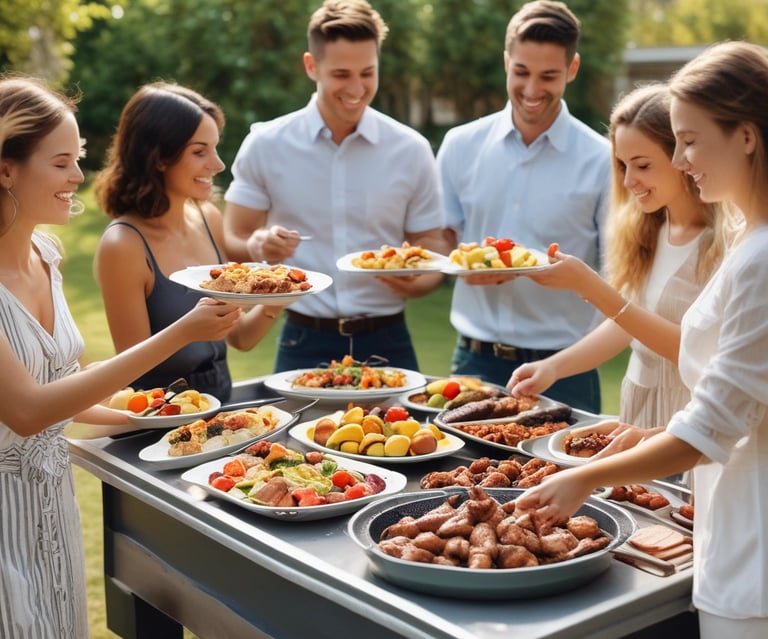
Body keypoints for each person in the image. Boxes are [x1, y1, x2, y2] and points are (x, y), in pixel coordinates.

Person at [516, 41, 768, 638]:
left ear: (747, 137)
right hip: (729, 516)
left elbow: (711, 424)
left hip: (751, 541)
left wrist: (582, 478)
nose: (681, 160)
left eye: (690, 140)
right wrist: (652, 433)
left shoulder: (756, 257)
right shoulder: (749, 244)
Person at [0, 76, 241, 638]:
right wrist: (181, 332)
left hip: (52, 503)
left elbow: (61, 383)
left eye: (78, 158)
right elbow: (27, 410)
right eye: (61, 162)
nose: (78, 177)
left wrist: (147, 417)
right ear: (6, 169)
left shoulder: (45, 254)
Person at [222, 0, 450, 372]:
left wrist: (414, 282)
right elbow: (233, 235)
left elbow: (433, 246)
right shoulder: (267, 144)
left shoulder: (411, 149)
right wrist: (256, 244)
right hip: (303, 338)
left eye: (368, 73)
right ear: (312, 66)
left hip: (388, 338)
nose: (357, 88)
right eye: (341, 74)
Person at [508, 83, 736, 429]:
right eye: (622, 164)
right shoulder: (648, 229)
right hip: (639, 402)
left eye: (642, 165)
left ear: (682, 159)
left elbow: (694, 350)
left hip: (688, 416)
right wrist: (553, 367)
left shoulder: (725, 242)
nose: (629, 181)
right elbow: (627, 325)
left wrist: (591, 287)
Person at [436, 0, 611, 413]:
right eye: (521, 72)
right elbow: (442, 240)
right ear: (505, 62)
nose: (532, 90)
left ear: (572, 69)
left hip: (565, 368)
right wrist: (456, 265)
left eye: (548, 75)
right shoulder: (460, 146)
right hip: (472, 364)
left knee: (568, 478)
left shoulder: (603, 160)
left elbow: (619, 275)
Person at [94, 82, 280, 402]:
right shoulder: (123, 245)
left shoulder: (209, 219)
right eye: (199, 151)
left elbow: (239, 338)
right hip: (159, 424)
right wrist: (186, 330)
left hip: (220, 410)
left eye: (215, 147)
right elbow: (130, 371)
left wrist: (276, 300)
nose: (218, 164)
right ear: (159, 158)